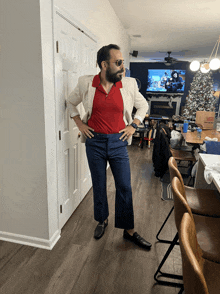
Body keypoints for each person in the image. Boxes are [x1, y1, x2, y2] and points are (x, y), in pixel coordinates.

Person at [66, 44, 151, 249]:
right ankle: (102, 220)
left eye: (122, 62)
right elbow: (70, 102)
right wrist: (79, 123)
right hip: (94, 142)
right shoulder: (87, 83)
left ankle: (129, 230)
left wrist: (133, 125)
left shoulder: (128, 84)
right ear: (104, 65)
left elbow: (143, 105)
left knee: (124, 186)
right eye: (118, 62)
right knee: (99, 184)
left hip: (118, 142)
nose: (123, 66)